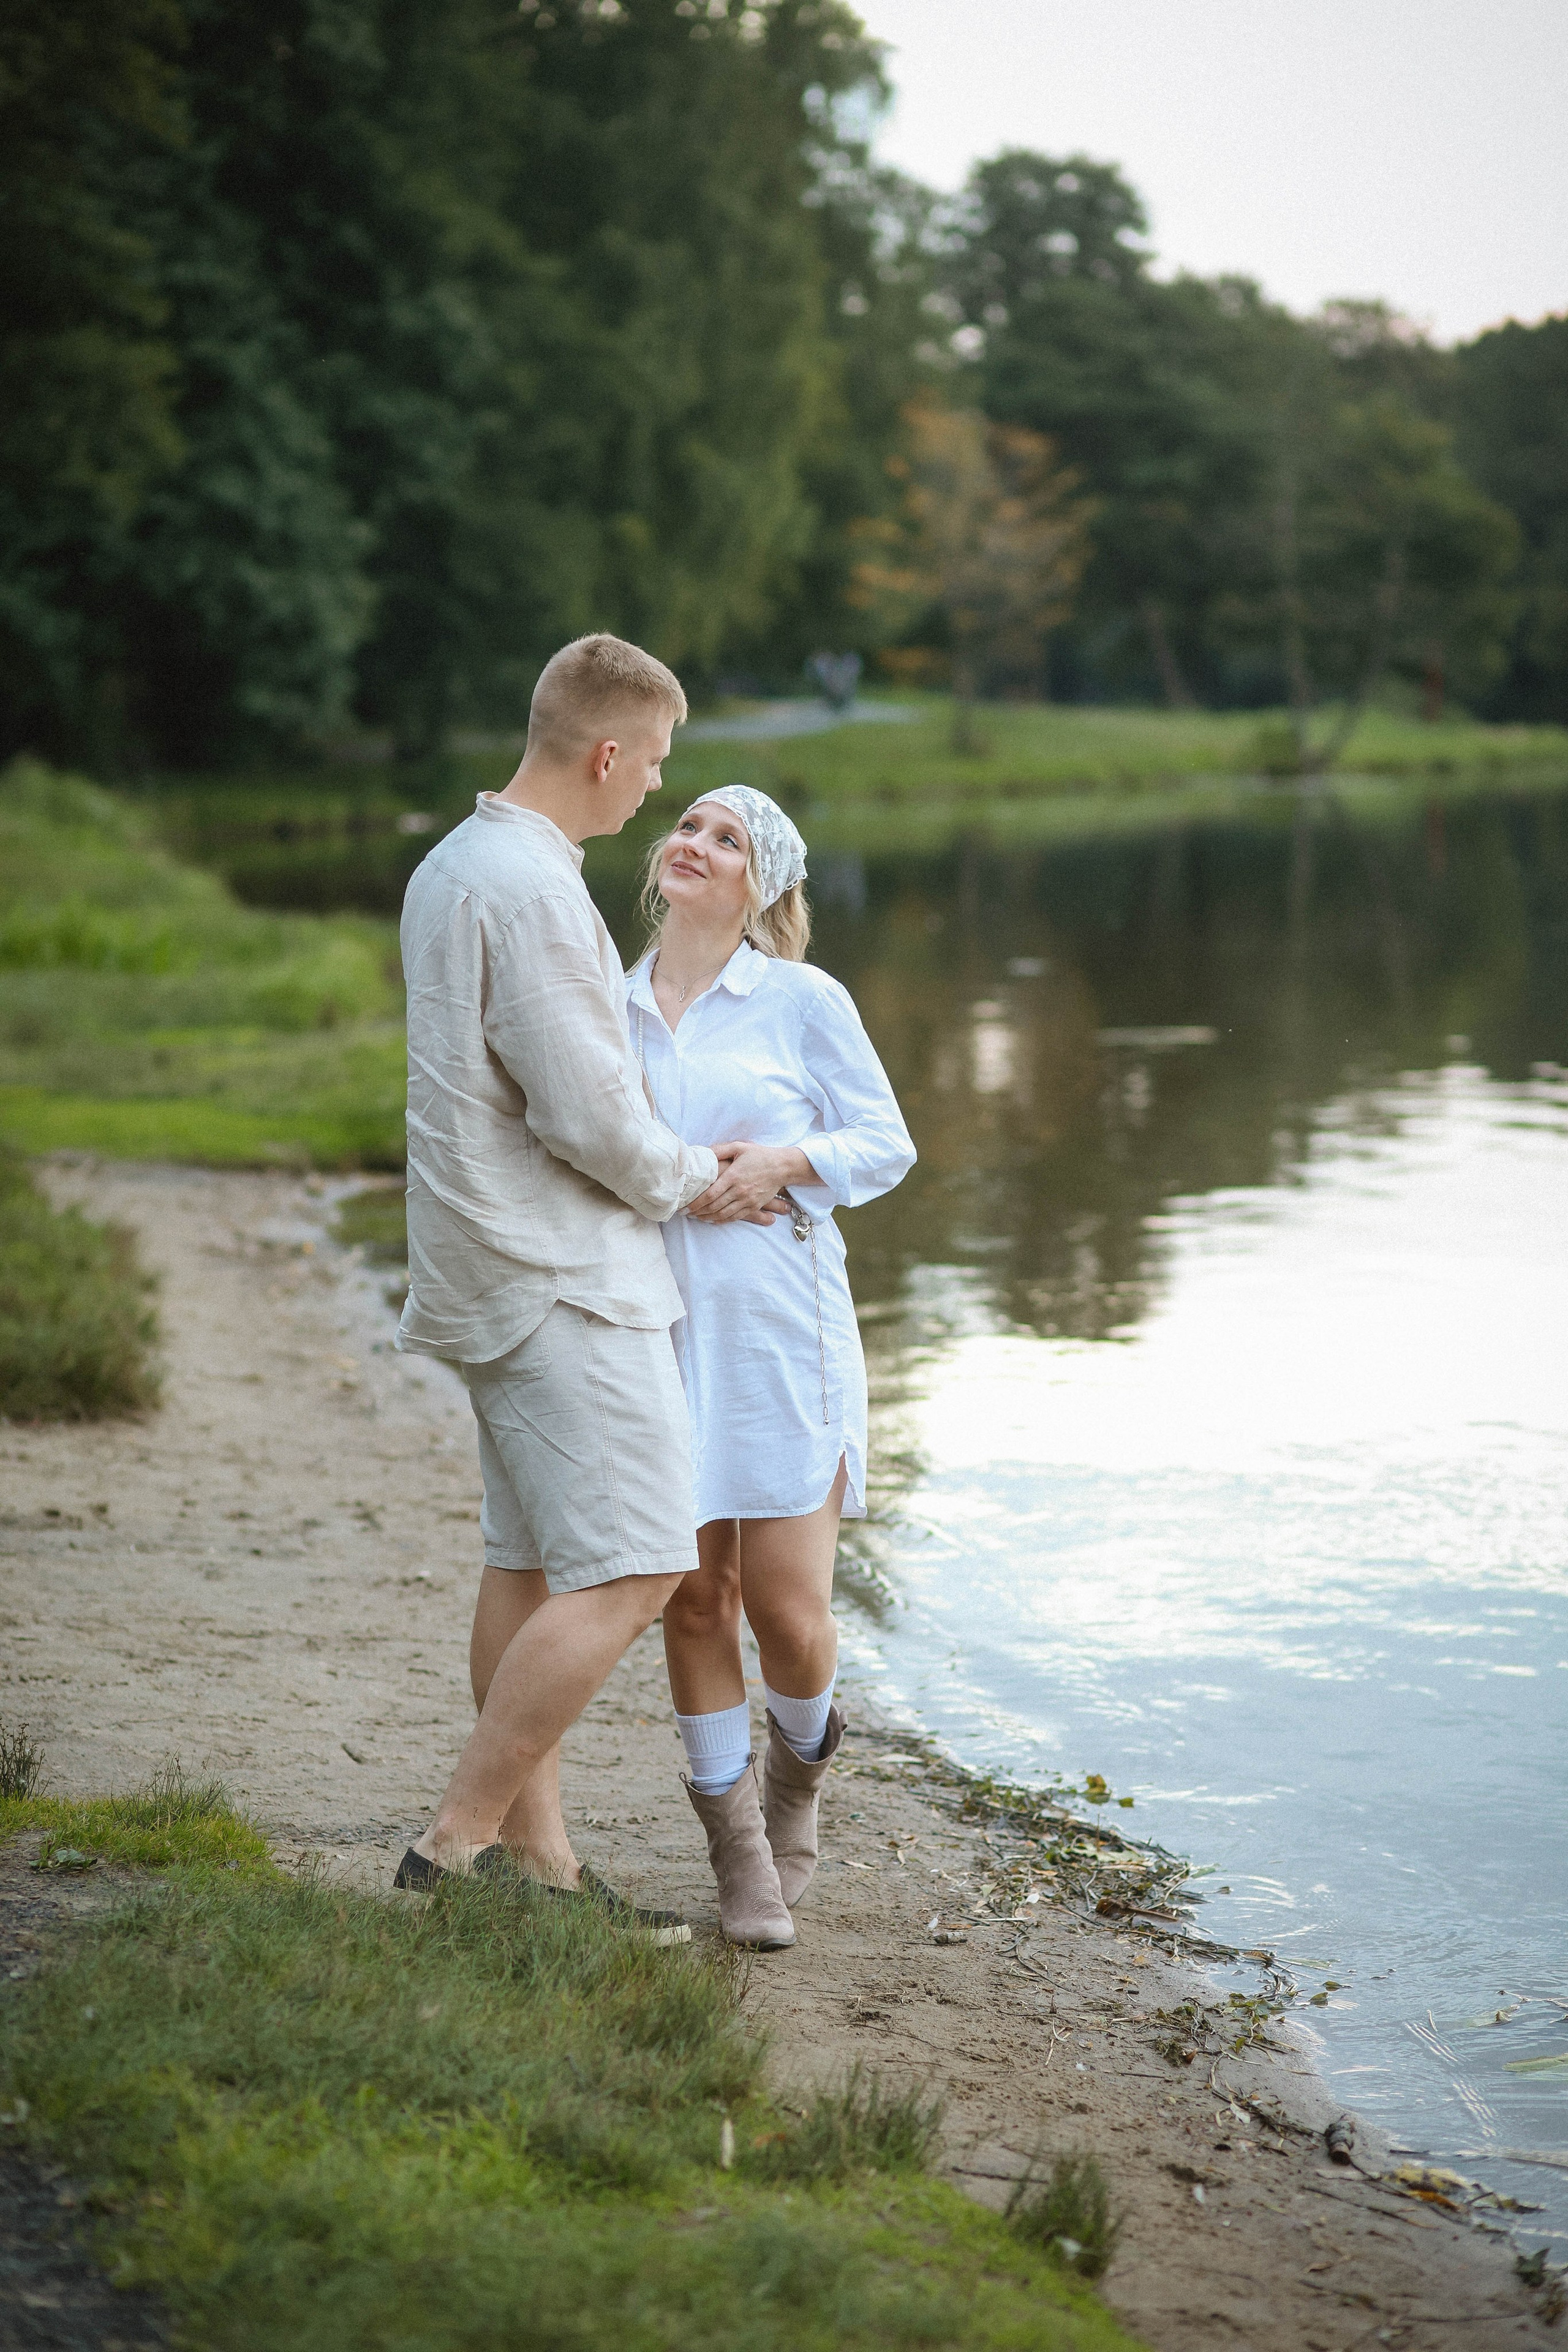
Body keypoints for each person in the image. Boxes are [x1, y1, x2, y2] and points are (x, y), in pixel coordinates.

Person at [391, 633, 751, 1935]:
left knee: (533, 1561)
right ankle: (452, 1843)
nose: (652, 788)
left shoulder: (454, 863)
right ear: (606, 753)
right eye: (652, 762)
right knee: (646, 1557)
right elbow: (584, 1115)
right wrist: (688, 1172)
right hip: (554, 1273)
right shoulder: (533, 891)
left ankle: (535, 1866)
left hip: (489, 1259)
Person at [625, 786, 915, 1947]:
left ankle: (798, 1780)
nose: (697, 843)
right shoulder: (608, 1001)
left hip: (780, 1330)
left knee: (790, 1612)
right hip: (652, 1327)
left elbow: (886, 1143)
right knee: (693, 1596)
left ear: (761, 883)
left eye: (727, 838)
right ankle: (736, 1847)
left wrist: (788, 1159)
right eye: (688, 826)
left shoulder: (801, 1000)